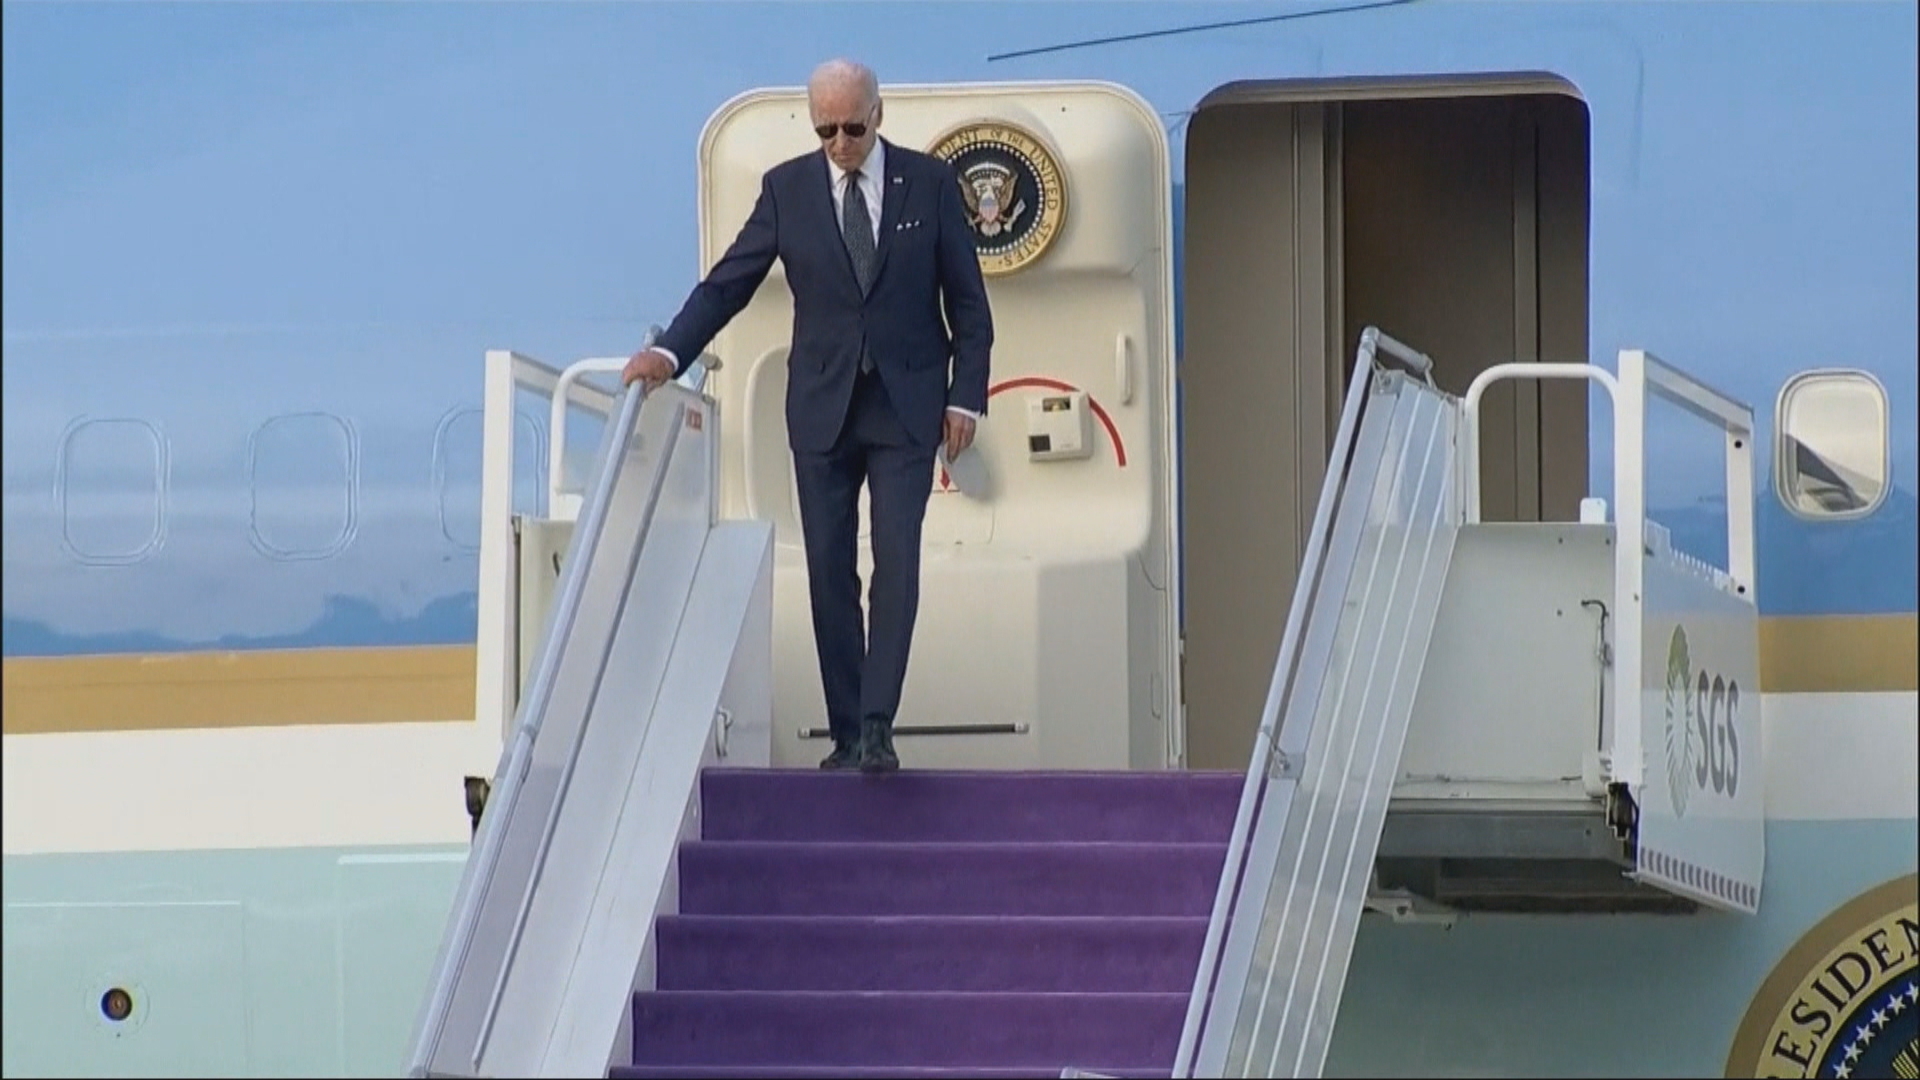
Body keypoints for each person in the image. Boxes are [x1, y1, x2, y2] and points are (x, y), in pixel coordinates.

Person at [623, 58, 994, 773]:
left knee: (897, 561)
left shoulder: (929, 183)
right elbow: (729, 283)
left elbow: (969, 305)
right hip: (823, 406)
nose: (840, 143)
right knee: (828, 568)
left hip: (906, 403)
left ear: (878, 115)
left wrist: (964, 395)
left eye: (853, 128)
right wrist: (669, 353)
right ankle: (846, 730)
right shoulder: (786, 189)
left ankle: (878, 725)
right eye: (826, 130)